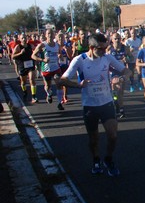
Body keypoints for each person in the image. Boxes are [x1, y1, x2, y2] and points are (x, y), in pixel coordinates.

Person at [59, 33, 132, 176]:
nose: (105, 51)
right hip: (90, 105)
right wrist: (78, 85)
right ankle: (96, 160)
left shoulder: (107, 58)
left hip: (106, 103)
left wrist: (121, 78)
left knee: (113, 136)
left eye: (106, 48)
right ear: (92, 48)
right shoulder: (79, 60)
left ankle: (108, 159)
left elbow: (127, 71)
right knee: (94, 138)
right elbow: (62, 80)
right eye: (101, 49)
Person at [31, 29, 66, 110]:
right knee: (47, 86)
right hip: (46, 69)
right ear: (46, 35)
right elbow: (33, 56)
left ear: (54, 35)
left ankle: (59, 103)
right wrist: (43, 60)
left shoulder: (57, 45)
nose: (50, 35)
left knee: (59, 83)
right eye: (48, 34)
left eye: (51, 33)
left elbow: (60, 54)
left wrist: (60, 56)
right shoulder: (42, 45)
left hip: (56, 68)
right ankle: (49, 94)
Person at [107, 31, 128, 118]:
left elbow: (131, 57)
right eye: (115, 38)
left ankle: (118, 104)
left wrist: (127, 58)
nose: (117, 40)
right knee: (116, 92)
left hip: (121, 72)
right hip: (112, 73)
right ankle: (120, 107)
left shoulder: (125, 48)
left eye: (119, 38)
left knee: (120, 92)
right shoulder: (109, 49)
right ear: (112, 40)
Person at [12, 34, 38, 103]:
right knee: (23, 82)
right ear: (20, 39)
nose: (24, 39)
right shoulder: (18, 46)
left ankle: (34, 96)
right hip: (22, 65)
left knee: (32, 79)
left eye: (25, 38)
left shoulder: (30, 45)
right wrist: (20, 53)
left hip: (30, 65)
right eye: (22, 38)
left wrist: (35, 54)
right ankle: (25, 92)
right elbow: (13, 56)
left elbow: (35, 52)